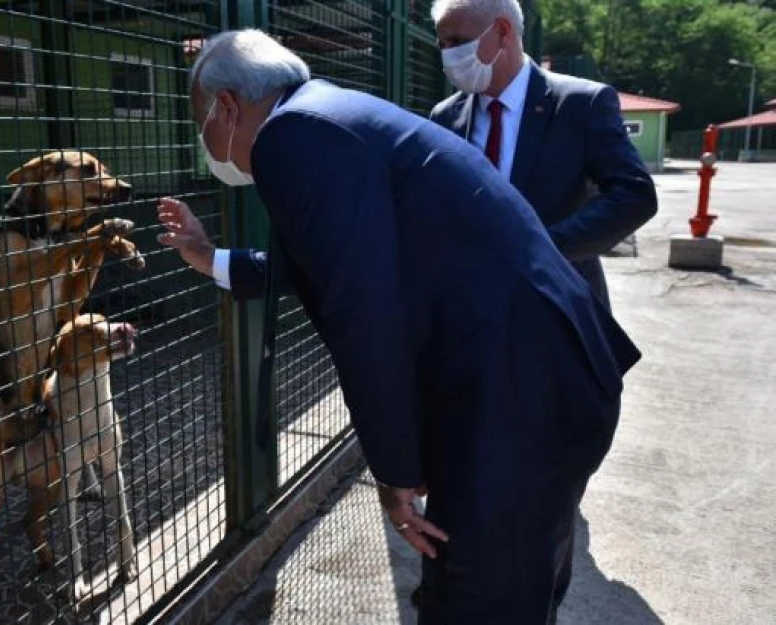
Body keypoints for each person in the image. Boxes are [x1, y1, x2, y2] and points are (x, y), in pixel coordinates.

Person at [157, 27, 642, 624]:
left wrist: (396, 469)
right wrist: (209, 257)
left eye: (199, 119)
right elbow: (321, 265)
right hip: (541, 380)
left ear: (227, 107)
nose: (204, 140)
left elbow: (362, 315)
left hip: (520, 396)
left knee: (482, 605)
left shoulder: (291, 139)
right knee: (493, 588)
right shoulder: (324, 117)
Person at [429, 0, 657, 310]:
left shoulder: (581, 104)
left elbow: (634, 195)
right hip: (473, 309)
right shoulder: (445, 116)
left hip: (556, 306)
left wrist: (543, 249)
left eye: (458, 42)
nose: (448, 55)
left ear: (503, 31)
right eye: (442, 44)